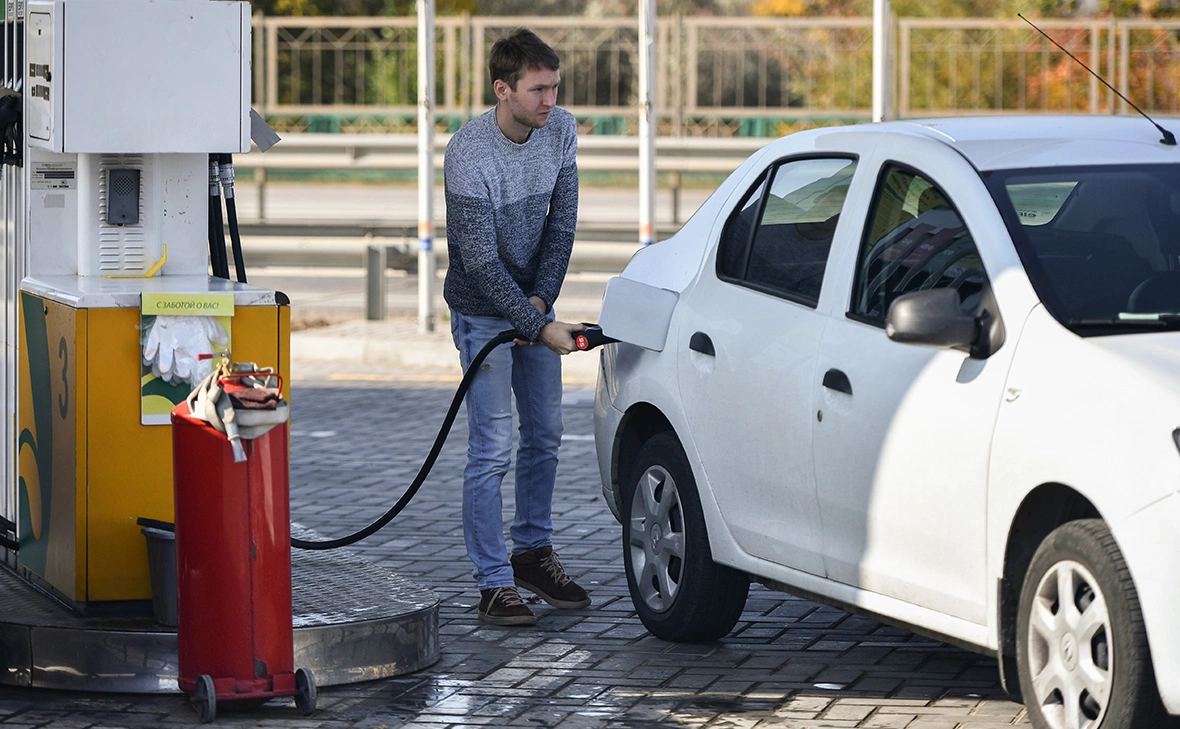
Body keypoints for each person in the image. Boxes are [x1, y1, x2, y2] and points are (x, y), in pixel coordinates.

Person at [443, 27, 590, 626]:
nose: (550, 101)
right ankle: (494, 582)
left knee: (547, 435)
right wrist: (533, 322)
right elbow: (477, 258)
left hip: (533, 298)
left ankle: (531, 552)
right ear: (503, 90)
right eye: (537, 90)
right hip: (481, 310)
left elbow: (563, 223)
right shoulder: (468, 151)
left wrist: (540, 303)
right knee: (492, 448)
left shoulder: (561, 129)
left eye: (554, 87)